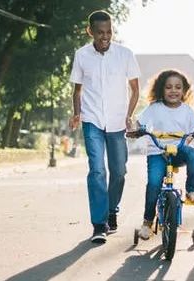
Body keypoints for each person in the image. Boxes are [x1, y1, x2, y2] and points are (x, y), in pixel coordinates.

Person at [68, 10, 140, 244]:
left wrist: (129, 115)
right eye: (100, 32)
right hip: (92, 120)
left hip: (118, 121)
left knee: (119, 172)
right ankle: (99, 224)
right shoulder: (81, 55)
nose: (105, 36)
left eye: (109, 32)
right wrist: (77, 114)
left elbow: (135, 89)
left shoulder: (125, 54)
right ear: (90, 32)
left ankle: (112, 211)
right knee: (97, 170)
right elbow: (77, 90)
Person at [135, 70, 194, 240]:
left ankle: (190, 191)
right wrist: (136, 129)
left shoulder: (187, 110)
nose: (173, 91)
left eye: (178, 87)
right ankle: (147, 223)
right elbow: (139, 122)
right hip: (158, 152)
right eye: (169, 87)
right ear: (161, 89)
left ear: (184, 90)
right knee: (154, 184)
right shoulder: (154, 108)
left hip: (178, 151)